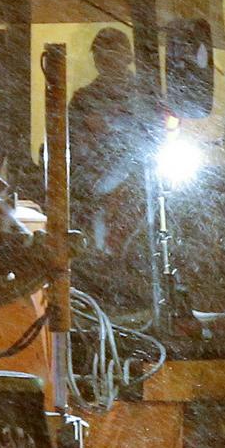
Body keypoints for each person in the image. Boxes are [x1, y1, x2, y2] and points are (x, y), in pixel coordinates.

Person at [64, 28, 160, 293]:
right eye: (101, 55)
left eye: (113, 54)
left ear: (128, 56)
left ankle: (134, 281)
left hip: (143, 182)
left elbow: (155, 136)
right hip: (89, 187)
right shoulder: (83, 100)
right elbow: (69, 144)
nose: (106, 61)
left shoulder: (148, 98)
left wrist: (109, 124)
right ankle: (97, 274)